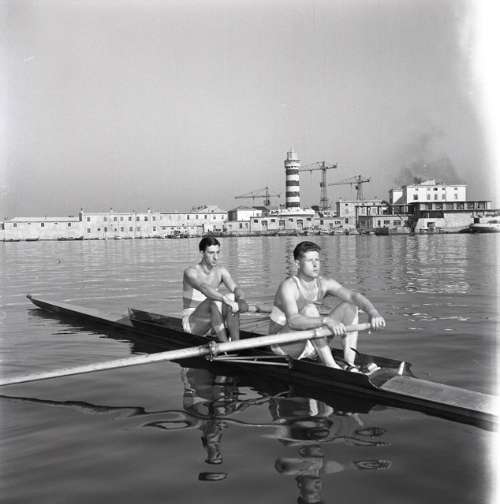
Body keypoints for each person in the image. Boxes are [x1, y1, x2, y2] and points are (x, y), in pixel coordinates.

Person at [269, 241, 385, 371]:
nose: (315, 265)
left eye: (317, 260)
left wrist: (373, 312)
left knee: (350, 306)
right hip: (285, 346)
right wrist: (327, 320)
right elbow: (293, 321)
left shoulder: (324, 283)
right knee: (310, 310)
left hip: (312, 339)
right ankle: (332, 366)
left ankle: (350, 363)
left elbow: (354, 296)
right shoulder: (289, 286)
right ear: (297, 263)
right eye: (310, 260)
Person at [183, 235, 247, 342]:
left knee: (232, 296)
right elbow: (204, 288)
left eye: (217, 252)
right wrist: (225, 300)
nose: (216, 257)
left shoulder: (221, 271)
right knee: (215, 300)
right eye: (211, 253)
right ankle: (225, 344)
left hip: (214, 321)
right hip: (193, 325)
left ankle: (236, 343)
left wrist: (240, 300)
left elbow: (236, 288)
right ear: (202, 253)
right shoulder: (190, 272)